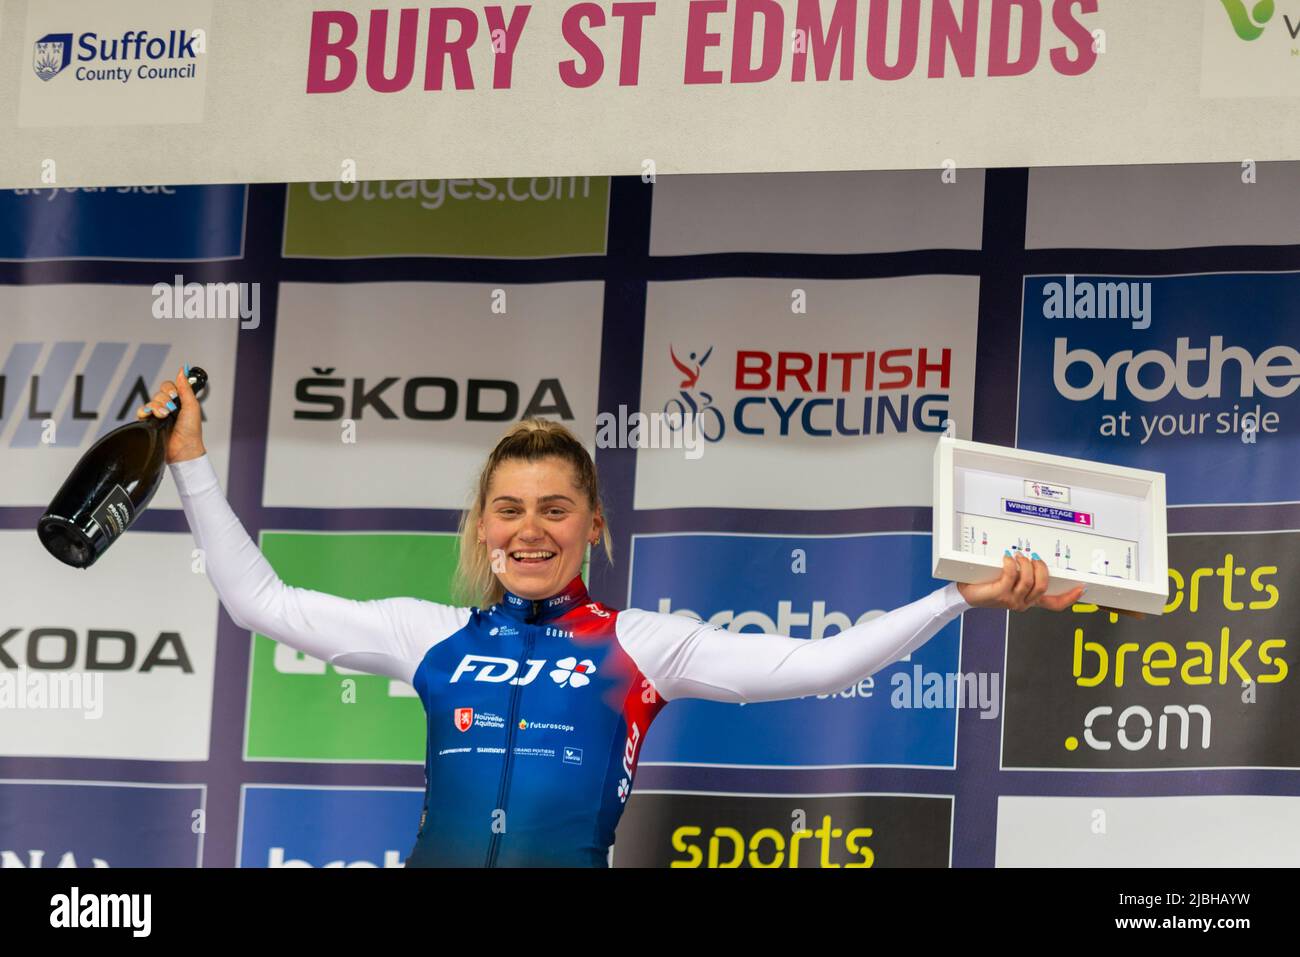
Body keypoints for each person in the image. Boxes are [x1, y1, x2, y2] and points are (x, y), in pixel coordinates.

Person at [141, 366, 1090, 867]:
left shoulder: (643, 642)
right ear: (482, 525)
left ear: (593, 523)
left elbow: (826, 665)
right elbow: (254, 599)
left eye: (556, 508)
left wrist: (957, 597)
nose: (529, 531)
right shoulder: (425, 634)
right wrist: (189, 459)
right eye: (508, 510)